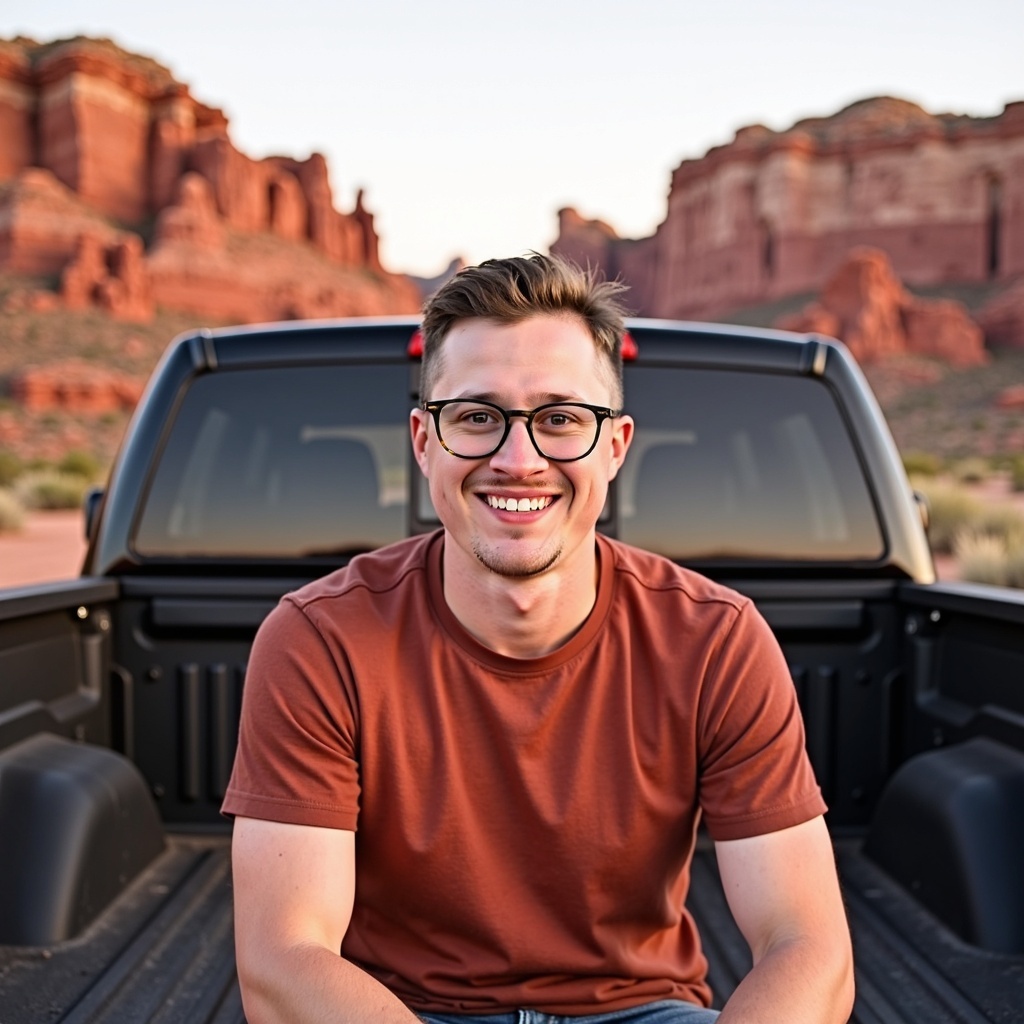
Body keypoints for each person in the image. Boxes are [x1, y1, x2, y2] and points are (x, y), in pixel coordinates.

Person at [223, 254, 855, 1024]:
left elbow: (807, 946)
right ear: (423, 441)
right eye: (476, 417)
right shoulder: (319, 640)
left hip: (642, 1010)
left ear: (615, 446)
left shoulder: (716, 641)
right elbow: (284, 961)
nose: (518, 461)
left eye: (560, 419)